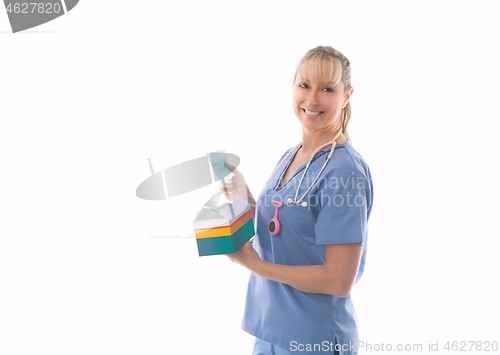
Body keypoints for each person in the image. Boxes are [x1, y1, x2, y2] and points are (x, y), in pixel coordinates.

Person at [221, 46, 374, 355]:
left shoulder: (346, 173)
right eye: (304, 85)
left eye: (327, 89)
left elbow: (338, 280)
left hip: (313, 338)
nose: (312, 99)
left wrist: (254, 264)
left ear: (347, 96)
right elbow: (285, 228)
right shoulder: (291, 156)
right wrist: (246, 200)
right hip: (270, 330)